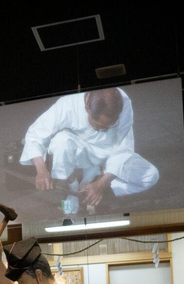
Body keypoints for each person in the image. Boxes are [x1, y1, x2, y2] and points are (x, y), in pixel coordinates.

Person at [19, 87, 159, 213]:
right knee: (61, 141)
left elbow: (125, 148)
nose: (105, 130)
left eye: (111, 125)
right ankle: (73, 188)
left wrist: (101, 184)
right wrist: (41, 169)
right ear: (87, 108)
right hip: (80, 150)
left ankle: (94, 187)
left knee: (150, 176)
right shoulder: (67, 104)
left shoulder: (123, 103)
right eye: (100, 125)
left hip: (109, 153)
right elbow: (35, 134)